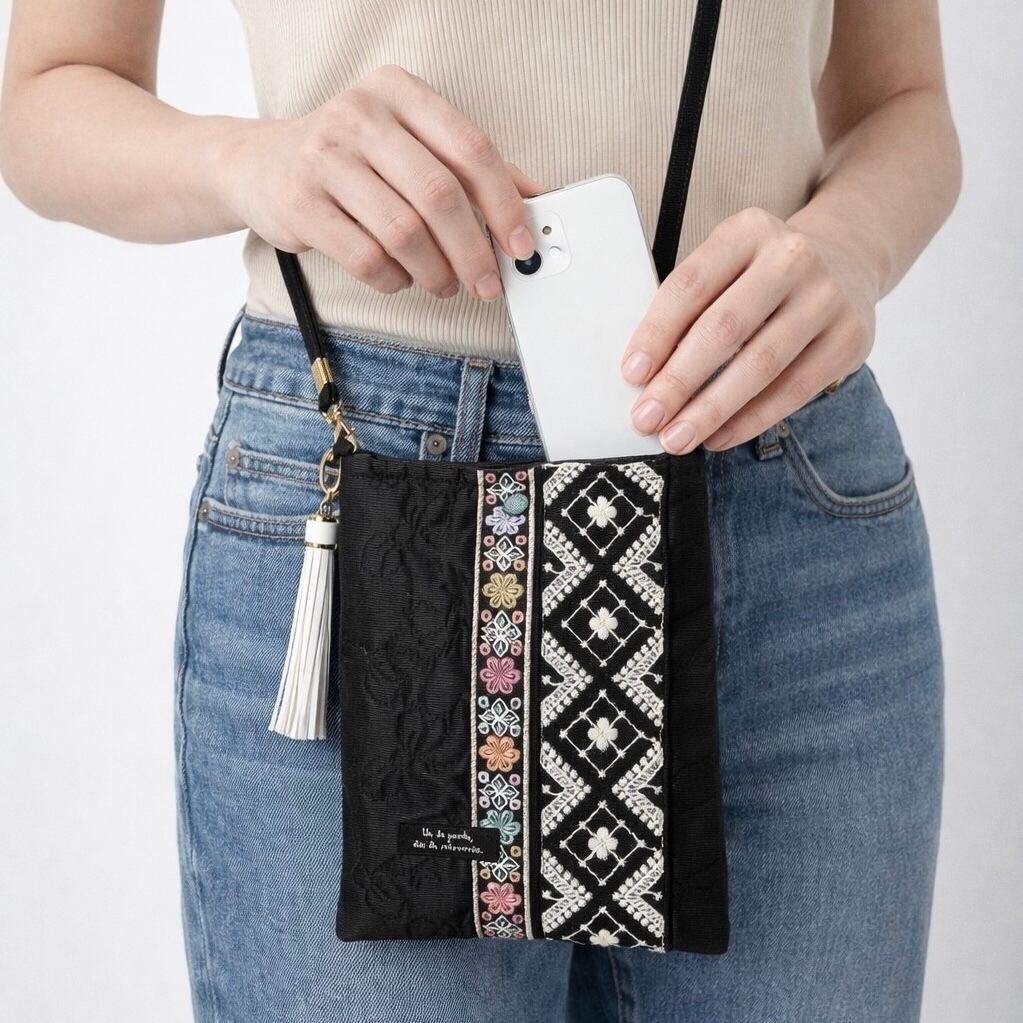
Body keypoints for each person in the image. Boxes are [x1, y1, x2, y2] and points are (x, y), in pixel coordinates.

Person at [0, 2, 960, 1020]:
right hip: (369, 492)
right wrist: (249, 160)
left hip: (774, 481)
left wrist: (849, 246)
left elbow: (901, 101)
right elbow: (47, 96)